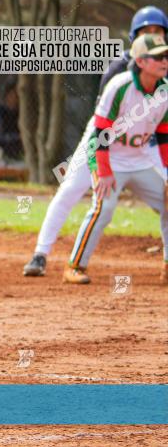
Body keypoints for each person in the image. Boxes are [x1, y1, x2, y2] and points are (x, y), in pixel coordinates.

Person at [23, 6, 168, 277]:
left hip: (140, 145)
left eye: (158, 32)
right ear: (135, 36)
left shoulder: (163, 73)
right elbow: (101, 128)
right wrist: (100, 167)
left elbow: (162, 130)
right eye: (146, 32)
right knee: (71, 190)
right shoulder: (119, 71)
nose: (153, 36)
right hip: (103, 140)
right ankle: (40, 254)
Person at [60, 33, 168, 284]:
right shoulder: (120, 86)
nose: (165, 61)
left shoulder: (165, 90)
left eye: (166, 56)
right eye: (158, 57)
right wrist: (104, 172)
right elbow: (99, 133)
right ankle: (75, 266)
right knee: (104, 208)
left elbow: (163, 137)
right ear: (140, 62)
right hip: (109, 157)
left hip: (140, 159)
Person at [0, 83, 22, 159]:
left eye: (17, 96)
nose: (15, 99)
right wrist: (16, 137)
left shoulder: (20, 114)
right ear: (6, 96)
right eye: (12, 95)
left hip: (19, 153)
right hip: (2, 154)